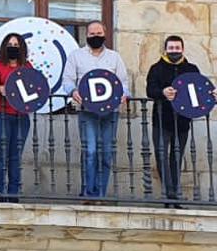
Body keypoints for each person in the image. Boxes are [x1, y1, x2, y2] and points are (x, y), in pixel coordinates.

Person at [61, 21, 130, 200]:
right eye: (92, 33)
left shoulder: (115, 57)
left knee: (106, 154)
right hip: (87, 111)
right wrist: (73, 91)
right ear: (87, 35)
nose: (95, 36)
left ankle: (100, 194)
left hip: (111, 112)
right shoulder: (76, 56)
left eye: (98, 32)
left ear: (105, 33)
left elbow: (123, 82)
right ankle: (88, 193)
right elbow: (67, 80)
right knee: (90, 152)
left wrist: (124, 94)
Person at [145, 35, 201, 206]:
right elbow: (150, 90)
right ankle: (170, 194)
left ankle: (173, 194)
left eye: (177, 48)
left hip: (183, 121)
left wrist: (210, 94)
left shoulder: (191, 68)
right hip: (162, 120)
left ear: (182, 49)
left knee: (176, 158)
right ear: (165, 49)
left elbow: (199, 89)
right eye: (171, 48)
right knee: (161, 156)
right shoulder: (156, 68)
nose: (174, 51)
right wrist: (163, 92)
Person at [0, 32, 32, 201]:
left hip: (21, 116)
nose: (13, 47)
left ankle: (13, 194)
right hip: (0, 114)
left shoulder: (27, 66)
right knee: (2, 154)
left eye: (16, 44)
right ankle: (0, 193)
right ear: (5, 47)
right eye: (10, 44)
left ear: (21, 48)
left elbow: (33, 84)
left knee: (15, 155)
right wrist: (3, 89)